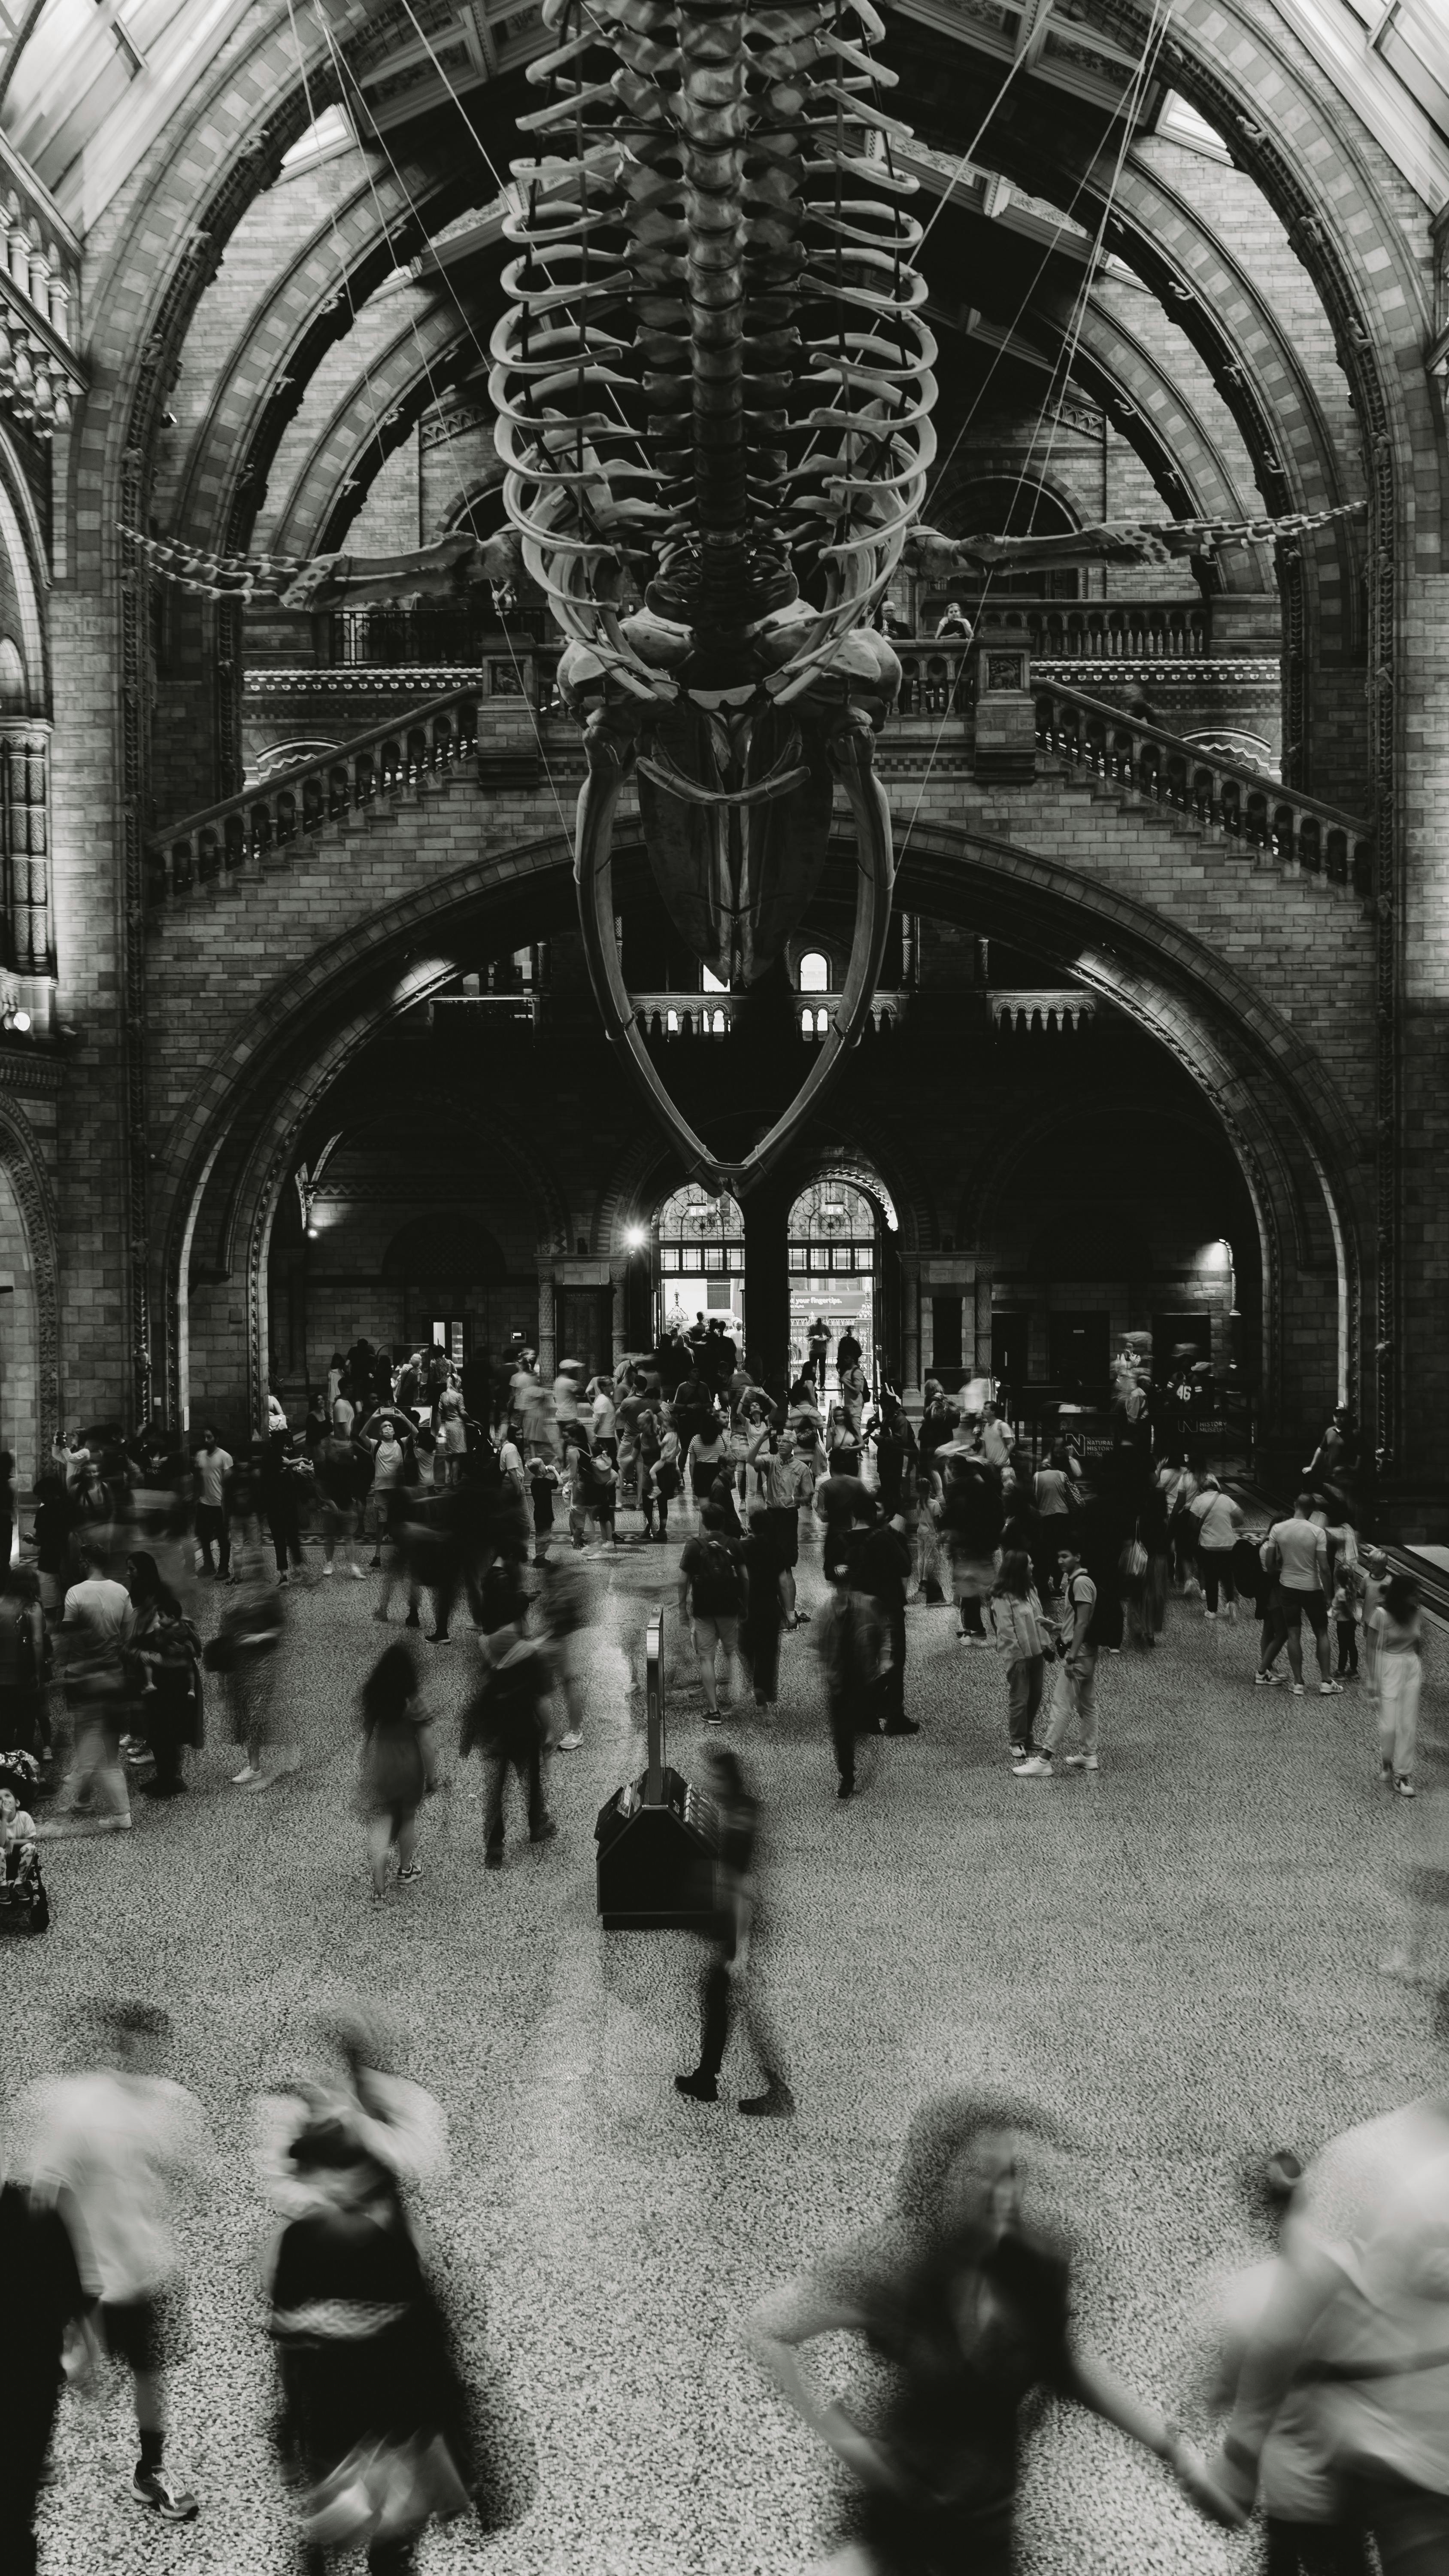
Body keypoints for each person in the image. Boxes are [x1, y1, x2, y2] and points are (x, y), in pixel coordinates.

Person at [746, 2090, 1236, 2571]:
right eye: (980, 2174)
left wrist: (1173, 2453)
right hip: (898, 2526)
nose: (1002, 2194)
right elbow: (769, 2330)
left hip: (985, 2527)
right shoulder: (892, 2264)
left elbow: (1064, 2364)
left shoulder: (1034, 2267)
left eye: (1009, 2176)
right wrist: (851, 2447)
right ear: (936, 2179)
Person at [9, 2000, 208, 2522]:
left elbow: (189, 2173)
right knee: (49, 2368)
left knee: (148, 2373)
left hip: (144, 2270)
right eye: (133, 2040)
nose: (144, 2053)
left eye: (154, 2043)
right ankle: (28, 2452)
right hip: (82, 2274)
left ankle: (151, 2470)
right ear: (116, 2043)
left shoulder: (174, 2105)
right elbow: (42, 2195)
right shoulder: (74, 2106)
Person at [266, 2117, 472, 2573]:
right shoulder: (303, 2241)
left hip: (383, 2428)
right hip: (348, 2422)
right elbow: (290, 2341)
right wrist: (288, 2424)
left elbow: (422, 2348)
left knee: (375, 2543)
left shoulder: (386, 2246)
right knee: (347, 2538)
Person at [675, 1741, 792, 2116]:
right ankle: (706, 2078)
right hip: (737, 1923)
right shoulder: (743, 1811)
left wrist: (739, 1951)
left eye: (715, 1778)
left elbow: (742, 1887)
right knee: (718, 2001)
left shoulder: (740, 1820)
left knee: (743, 2009)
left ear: (729, 1780)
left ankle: (778, 2092)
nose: (711, 1784)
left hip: (739, 1927)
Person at [0, 2139, 90, 2576]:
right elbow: (73, 2297)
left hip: (28, 2379)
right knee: (15, 2513)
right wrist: (81, 2349)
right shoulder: (36, 2210)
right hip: (27, 2382)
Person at [39, 1542, 136, 1833]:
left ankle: (87, 1803)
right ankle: (87, 1802)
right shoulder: (121, 1591)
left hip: (84, 1680)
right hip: (115, 1675)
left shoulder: (75, 1594)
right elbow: (128, 1634)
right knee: (106, 1749)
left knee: (85, 1741)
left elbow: (68, 1641)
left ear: (84, 1563)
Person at [462, 1585, 556, 1868]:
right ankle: (537, 1824)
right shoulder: (532, 1654)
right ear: (522, 1618)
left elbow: (477, 1687)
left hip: (493, 1731)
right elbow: (540, 1701)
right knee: (531, 1780)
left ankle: (494, 1849)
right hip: (523, 1730)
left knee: (494, 1791)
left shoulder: (484, 1645)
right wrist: (549, 1731)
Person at [358, 1639, 438, 1899]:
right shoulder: (415, 1702)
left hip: (381, 1764)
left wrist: (363, 1765)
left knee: (382, 1818)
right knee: (407, 1818)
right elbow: (427, 1744)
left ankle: (379, 1887)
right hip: (408, 1766)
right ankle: (405, 1870)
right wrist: (432, 1778)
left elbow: (366, 1736)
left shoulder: (374, 1698)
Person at [1016, 1539, 1097, 1777]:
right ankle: (1089, 1755)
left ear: (1078, 1557)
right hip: (1086, 1652)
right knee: (1087, 1705)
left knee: (1061, 1705)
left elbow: (1083, 1622)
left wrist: (1071, 1655)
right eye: (1059, 1557)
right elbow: (1078, 1621)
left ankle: (1044, 1760)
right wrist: (1059, 1627)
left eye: (1066, 1556)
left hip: (1078, 1654)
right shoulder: (1080, 1582)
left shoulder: (1081, 1582)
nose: (1061, 1561)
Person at [127, 1550, 200, 1798]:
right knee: (159, 1733)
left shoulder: (165, 1622)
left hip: (169, 1684)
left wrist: (142, 1655)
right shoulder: (152, 1616)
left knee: (164, 1732)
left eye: (132, 1569)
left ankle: (170, 1779)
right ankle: (165, 1776)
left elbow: (184, 1652)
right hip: (163, 1683)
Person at [1257, 1493, 1338, 1697]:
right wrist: (1329, 1596)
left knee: (1293, 1634)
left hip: (1287, 1588)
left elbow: (1270, 1565)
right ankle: (1326, 1681)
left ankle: (1298, 1683)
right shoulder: (1317, 1532)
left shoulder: (1278, 1529)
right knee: (1321, 1633)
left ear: (1295, 1505)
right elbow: (1325, 1568)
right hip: (1312, 1588)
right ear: (1313, 1511)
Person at [849, 1500, 915, 1736]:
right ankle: (894, 1715)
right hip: (889, 1607)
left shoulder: (857, 1539)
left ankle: (870, 1714)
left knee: (872, 1661)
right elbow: (906, 1568)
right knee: (895, 1661)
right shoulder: (889, 1538)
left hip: (867, 1608)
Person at [817, 1553, 880, 1798]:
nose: (842, 1590)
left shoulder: (867, 1606)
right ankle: (847, 1776)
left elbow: (881, 1633)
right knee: (842, 1732)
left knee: (855, 1723)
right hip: (839, 1680)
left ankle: (859, 1728)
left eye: (846, 1585)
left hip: (861, 1675)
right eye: (838, 1586)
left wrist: (882, 1660)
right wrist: (825, 1671)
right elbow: (821, 1645)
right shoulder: (827, 1612)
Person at [679, 1506, 746, 1719]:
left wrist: (682, 1608)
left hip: (704, 1608)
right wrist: (746, 1604)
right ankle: (736, 1700)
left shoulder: (694, 1545)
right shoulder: (734, 1544)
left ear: (704, 1523)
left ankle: (713, 1711)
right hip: (729, 1606)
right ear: (723, 1522)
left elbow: (684, 1580)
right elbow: (745, 1578)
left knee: (707, 1659)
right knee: (732, 1653)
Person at [746, 1422, 814, 1626]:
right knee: (769, 1564)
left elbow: (808, 1496)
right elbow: (751, 1460)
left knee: (785, 1566)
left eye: (787, 1441)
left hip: (787, 1518)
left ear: (794, 1444)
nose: (783, 1444)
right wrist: (761, 1438)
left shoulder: (801, 1468)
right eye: (780, 1441)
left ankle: (791, 1615)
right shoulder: (771, 1461)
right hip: (770, 1516)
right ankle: (775, 1608)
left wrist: (794, 1500)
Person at [989, 1549, 1050, 1766]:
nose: (1033, 1567)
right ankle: (1017, 1741)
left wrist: (1046, 1644)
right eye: (1030, 1564)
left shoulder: (1030, 1589)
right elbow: (1006, 1630)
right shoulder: (1002, 1597)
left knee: (1035, 1697)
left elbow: (1038, 1618)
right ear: (1019, 1569)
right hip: (1018, 1658)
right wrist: (1020, 1657)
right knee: (1020, 1700)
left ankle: (1028, 1737)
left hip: (1036, 1653)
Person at [1370, 1572, 1422, 1799]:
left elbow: (1418, 1643)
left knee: (1407, 1725)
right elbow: (1372, 1648)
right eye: (1413, 1594)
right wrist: (1372, 1679)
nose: (1417, 1599)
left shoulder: (1418, 1613)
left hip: (1411, 1666)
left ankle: (1402, 1775)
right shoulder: (1381, 1615)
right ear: (1401, 1596)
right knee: (1389, 1726)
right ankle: (1387, 1762)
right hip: (1389, 1666)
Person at [739, 1505, 785, 1710]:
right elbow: (784, 1582)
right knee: (769, 1651)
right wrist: (790, 1612)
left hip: (748, 1605)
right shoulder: (777, 1548)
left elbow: (739, 1576)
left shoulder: (744, 1548)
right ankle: (763, 1692)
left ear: (751, 1527)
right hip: (770, 1605)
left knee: (747, 1645)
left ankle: (751, 1672)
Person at [0, 1561, 48, 1757]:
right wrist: (38, 1672)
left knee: (4, 1725)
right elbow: (37, 1641)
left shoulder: (1, 1601)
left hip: (2, 1677)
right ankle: (24, 1773)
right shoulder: (32, 1607)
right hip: (23, 1675)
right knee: (26, 1725)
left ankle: (4, 1772)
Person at [1188, 1474, 1244, 1618]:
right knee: (1227, 1576)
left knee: (1211, 1577)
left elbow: (1192, 1524)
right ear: (1217, 1489)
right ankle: (1231, 1603)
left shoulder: (1199, 1500)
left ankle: (1212, 1611)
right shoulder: (1226, 1499)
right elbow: (1240, 1518)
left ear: (1202, 1489)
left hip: (1208, 1546)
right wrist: (1229, 1526)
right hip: (1228, 1545)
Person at [316, 1425, 367, 1578]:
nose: (336, 1449)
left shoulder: (349, 1464)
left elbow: (355, 1482)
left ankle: (352, 1566)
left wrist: (355, 1500)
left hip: (346, 1505)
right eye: (334, 1446)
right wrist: (330, 1503)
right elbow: (319, 1487)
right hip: (331, 1507)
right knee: (330, 1536)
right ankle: (329, 1563)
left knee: (349, 1537)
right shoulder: (325, 1466)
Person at [192, 1425, 234, 1579]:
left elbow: (228, 1484)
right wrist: (196, 1498)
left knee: (223, 1538)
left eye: (209, 1437)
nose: (206, 1440)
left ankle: (224, 1568)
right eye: (205, 1437)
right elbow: (198, 1479)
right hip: (204, 1503)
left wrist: (227, 1508)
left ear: (216, 1439)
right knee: (204, 1536)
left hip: (219, 1504)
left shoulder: (225, 1457)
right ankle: (209, 1566)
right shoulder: (200, 1455)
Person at [807, 1314, 829, 1393]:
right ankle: (813, 1383)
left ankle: (822, 1384)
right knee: (813, 1369)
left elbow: (830, 1336)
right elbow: (807, 1337)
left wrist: (825, 1338)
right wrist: (814, 1337)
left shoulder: (825, 1327)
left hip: (822, 1351)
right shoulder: (811, 1327)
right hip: (814, 1351)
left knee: (822, 1369)